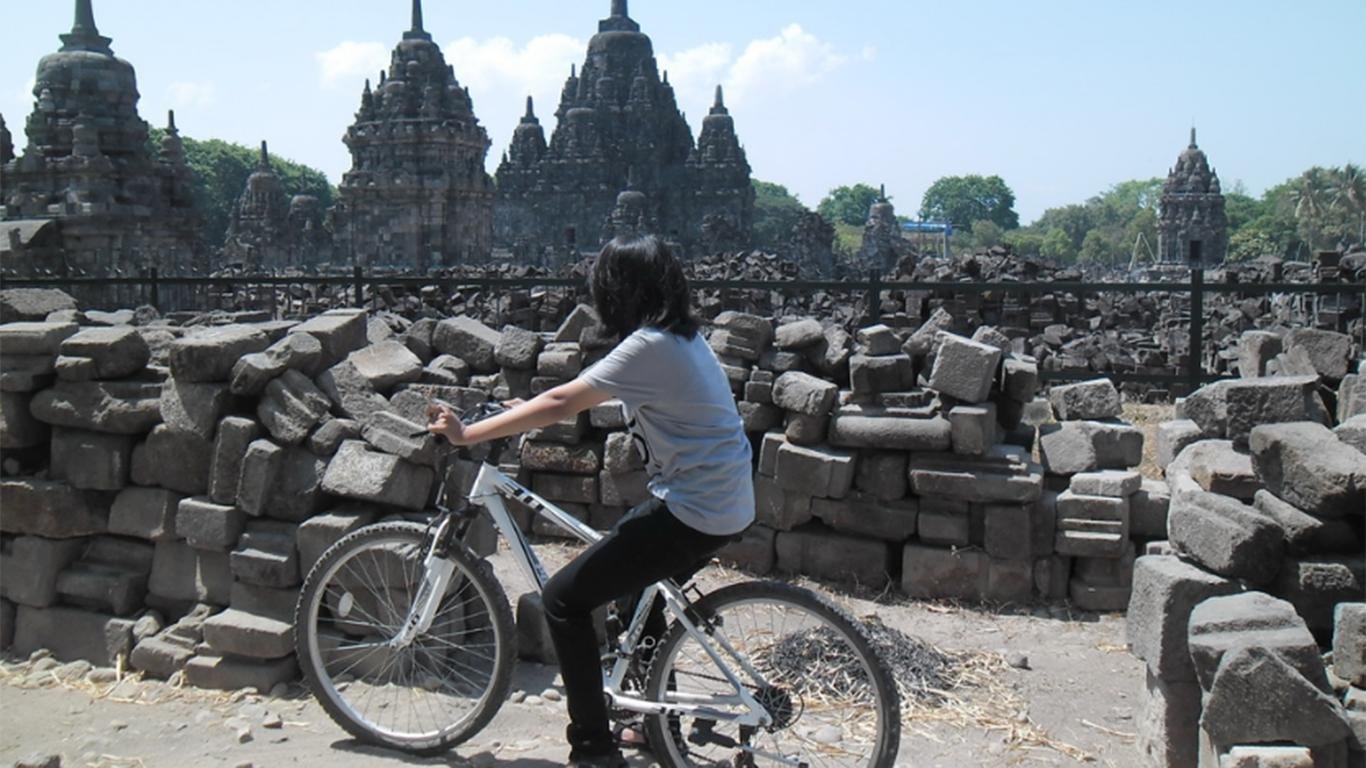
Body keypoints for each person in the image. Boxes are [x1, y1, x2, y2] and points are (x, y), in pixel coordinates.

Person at [428, 235, 755, 768]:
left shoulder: (648, 345)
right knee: (636, 588)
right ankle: (652, 724)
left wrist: (468, 434)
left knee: (563, 600)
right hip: (723, 500)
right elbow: (580, 397)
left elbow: (562, 401)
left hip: (694, 507)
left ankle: (593, 751)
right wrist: (524, 408)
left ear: (616, 290)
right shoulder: (681, 339)